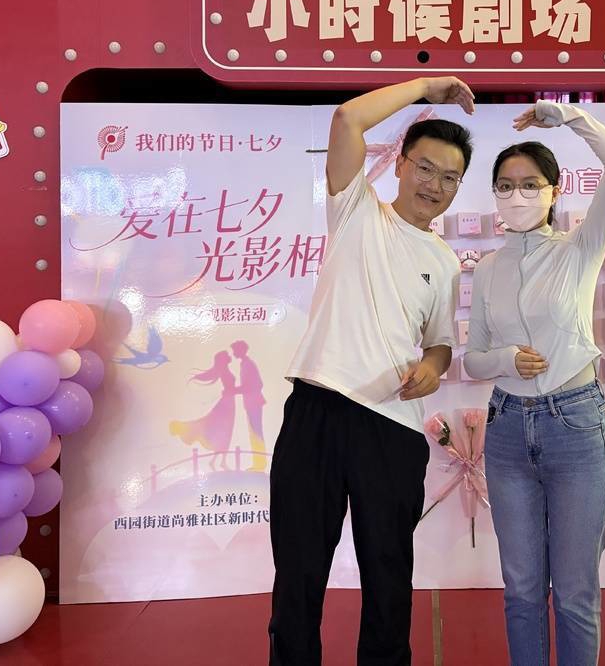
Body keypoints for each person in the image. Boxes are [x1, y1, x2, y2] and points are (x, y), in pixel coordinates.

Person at [269, 77, 475, 665]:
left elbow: (440, 342)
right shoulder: (356, 211)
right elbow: (347, 120)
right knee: (299, 569)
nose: (434, 185)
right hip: (317, 411)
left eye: (450, 177)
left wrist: (433, 366)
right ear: (400, 165)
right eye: (425, 168)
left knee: (388, 574)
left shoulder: (444, 260)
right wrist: (428, 86)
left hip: (393, 427)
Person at [463, 101, 605, 665]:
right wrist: (506, 359)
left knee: (576, 593)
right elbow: (473, 360)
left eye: (530, 184)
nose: (517, 196)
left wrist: (568, 117)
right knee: (522, 591)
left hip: (574, 425)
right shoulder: (487, 269)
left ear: (554, 191)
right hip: (508, 431)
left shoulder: (579, 250)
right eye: (505, 186)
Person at [168, 350, 239, 470]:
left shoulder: (225, 370)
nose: (229, 356)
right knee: (223, 430)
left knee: (225, 431)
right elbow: (230, 389)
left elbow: (230, 389)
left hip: (229, 403)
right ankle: (221, 461)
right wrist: (240, 390)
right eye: (227, 355)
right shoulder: (224, 371)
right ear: (223, 359)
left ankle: (218, 461)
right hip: (227, 404)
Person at [231, 340, 268, 471]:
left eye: (235, 350)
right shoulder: (245, 364)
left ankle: (259, 464)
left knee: (256, 433)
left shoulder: (248, 365)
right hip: (252, 403)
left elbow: (257, 384)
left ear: (241, 350)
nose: (233, 353)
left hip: (254, 403)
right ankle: (259, 463)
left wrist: (234, 390)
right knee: (255, 432)